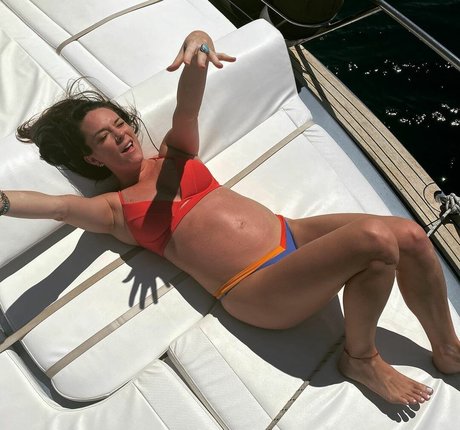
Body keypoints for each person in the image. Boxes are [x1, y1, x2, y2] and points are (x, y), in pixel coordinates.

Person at [1, 30, 459, 406]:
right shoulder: (114, 210)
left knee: (410, 235)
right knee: (375, 240)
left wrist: (199, 43)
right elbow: (57, 206)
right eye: (104, 137)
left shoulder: (174, 153)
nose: (120, 135)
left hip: (292, 234)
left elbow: (187, 105)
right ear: (92, 158)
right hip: (255, 287)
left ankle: (447, 348)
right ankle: (360, 358)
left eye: (119, 123)